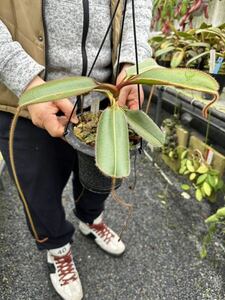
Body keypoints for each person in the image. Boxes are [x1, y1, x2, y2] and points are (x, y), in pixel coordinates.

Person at [0, 1, 152, 299]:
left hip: (104, 96)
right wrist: (24, 79)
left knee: (99, 179)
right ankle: (57, 247)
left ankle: (89, 218)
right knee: (38, 191)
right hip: (27, 94)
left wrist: (130, 62)